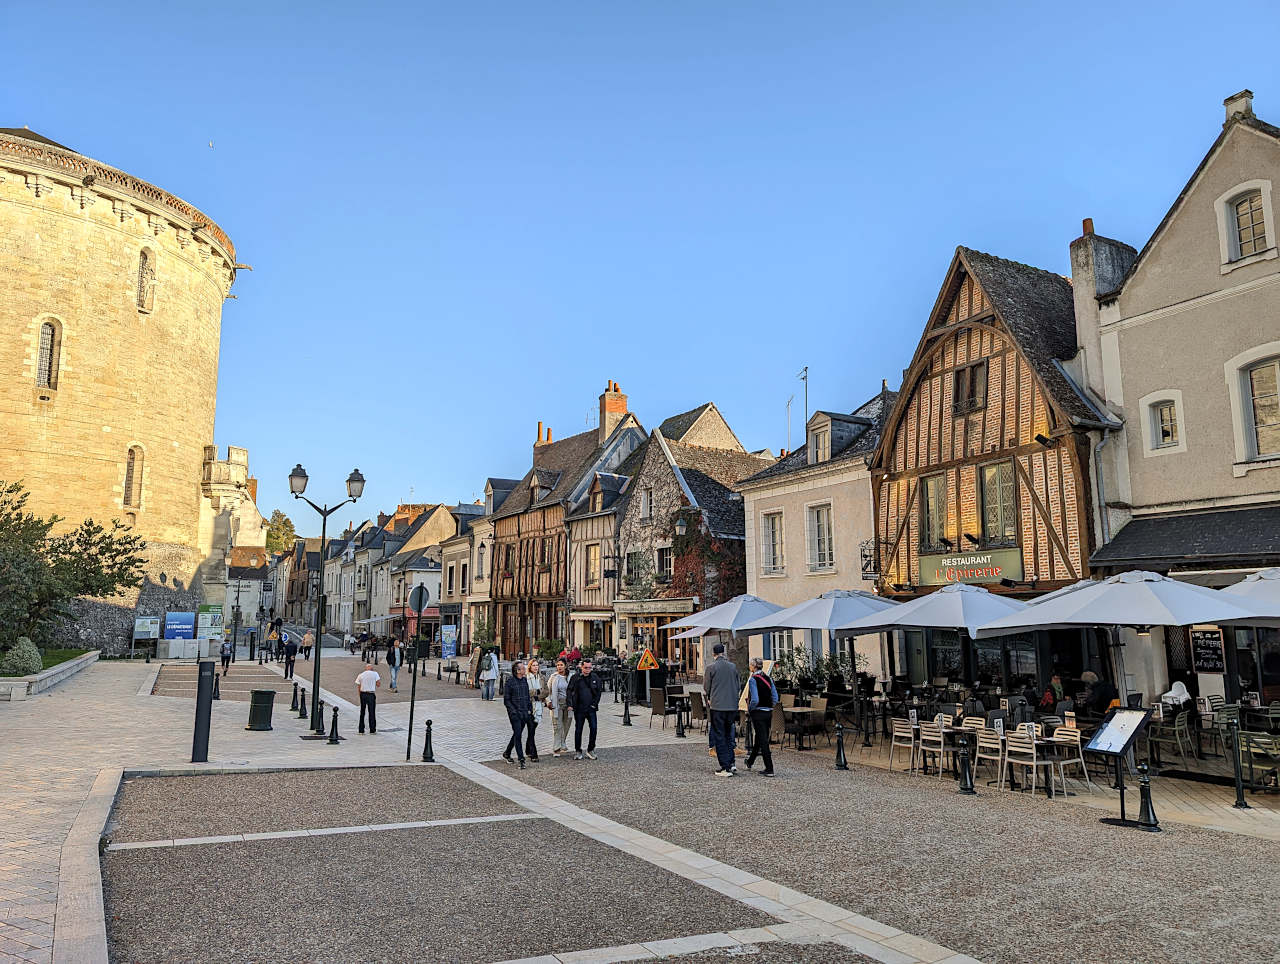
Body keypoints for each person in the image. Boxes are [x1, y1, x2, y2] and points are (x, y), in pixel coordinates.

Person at [705, 642, 740, 777]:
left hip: (718, 706)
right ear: (723, 653)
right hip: (731, 706)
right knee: (728, 733)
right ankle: (731, 763)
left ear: (714, 654)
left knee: (719, 735)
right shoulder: (733, 667)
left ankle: (725, 767)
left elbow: (706, 687)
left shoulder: (711, 668)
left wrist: (710, 696)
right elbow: (737, 686)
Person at [744, 657, 778, 777]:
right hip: (768, 712)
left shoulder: (753, 679)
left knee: (763, 741)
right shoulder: (768, 678)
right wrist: (769, 706)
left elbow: (755, 699)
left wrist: (750, 709)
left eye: (750, 665)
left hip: (758, 712)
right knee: (760, 737)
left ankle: (769, 768)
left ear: (753, 667)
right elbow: (775, 697)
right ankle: (750, 761)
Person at [568, 657, 603, 760]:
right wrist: (570, 704)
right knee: (578, 730)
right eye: (586, 668)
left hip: (591, 708)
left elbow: (599, 692)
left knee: (594, 728)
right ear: (581, 667)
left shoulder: (595, 677)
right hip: (579, 709)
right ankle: (578, 750)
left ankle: (590, 749)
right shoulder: (576, 677)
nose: (587, 670)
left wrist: (594, 704)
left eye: (589, 668)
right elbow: (569, 691)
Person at [502, 660, 533, 768]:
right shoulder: (510, 682)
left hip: (525, 712)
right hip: (515, 714)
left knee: (517, 733)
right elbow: (506, 700)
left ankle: (507, 753)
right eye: (523, 668)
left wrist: (530, 709)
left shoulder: (524, 680)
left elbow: (527, 697)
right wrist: (513, 712)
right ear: (518, 671)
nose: (525, 669)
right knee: (518, 735)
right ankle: (521, 759)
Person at [547, 658, 571, 755]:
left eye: (561, 665)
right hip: (557, 703)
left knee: (566, 724)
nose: (559, 667)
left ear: (565, 666)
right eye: (558, 665)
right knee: (557, 726)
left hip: (568, 704)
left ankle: (562, 742)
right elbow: (547, 691)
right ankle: (556, 747)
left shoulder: (570, 676)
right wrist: (548, 701)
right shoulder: (553, 677)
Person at [523, 658, 544, 761]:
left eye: (537, 665)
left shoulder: (541, 677)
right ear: (530, 667)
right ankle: (534, 753)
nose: (535, 667)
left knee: (532, 730)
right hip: (529, 707)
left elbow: (545, 691)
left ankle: (528, 749)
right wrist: (537, 692)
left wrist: (538, 695)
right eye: (533, 665)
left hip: (538, 706)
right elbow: (526, 692)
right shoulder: (526, 678)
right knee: (531, 730)